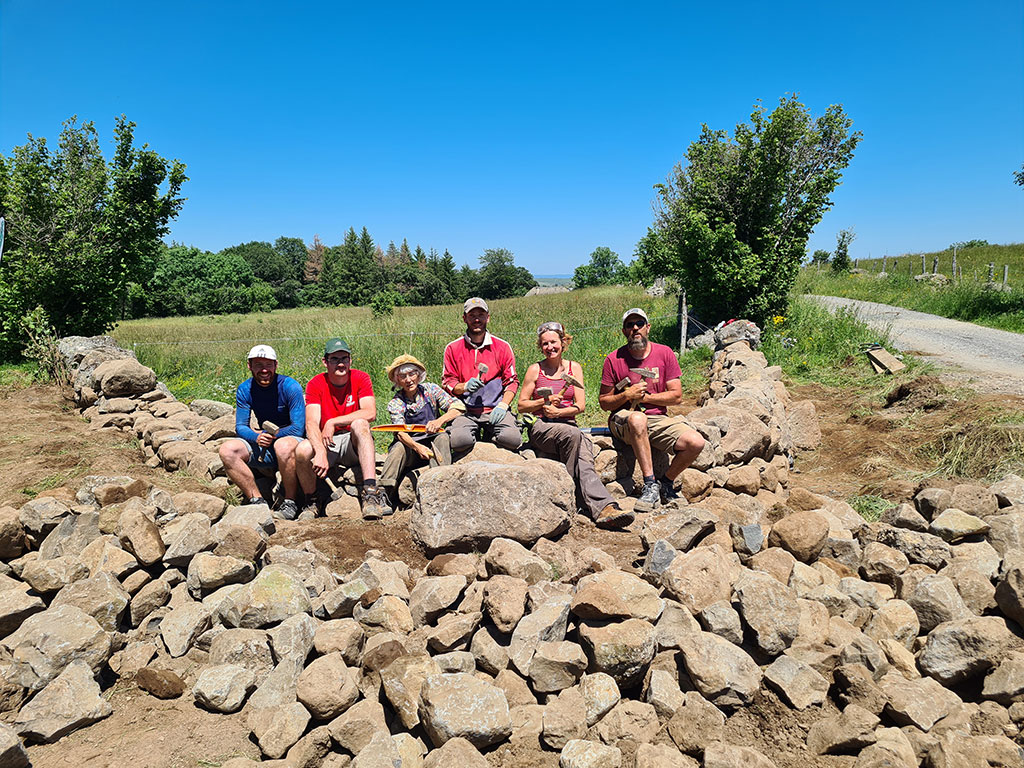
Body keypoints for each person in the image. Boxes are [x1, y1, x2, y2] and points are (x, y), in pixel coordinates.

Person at [519, 322, 632, 529]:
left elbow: (580, 406)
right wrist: (542, 403)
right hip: (542, 427)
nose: (549, 347)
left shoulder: (575, 368)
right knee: (576, 437)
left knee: (583, 455)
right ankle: (574, 494)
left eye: (553, 342)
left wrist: (560, 411)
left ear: (563, 343)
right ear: (540, 346)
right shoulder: (535, 370)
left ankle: (606, 509)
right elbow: (521, 406)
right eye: (545, 344)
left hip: (569, 427)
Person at [599, 308, 706, 512]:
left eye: (640, 323)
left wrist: (646, 398)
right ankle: (649, 483)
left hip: (656, 418)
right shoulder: (614, 359)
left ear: (648, 328)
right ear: (624, 331)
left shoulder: (664, 353)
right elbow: (604, 403)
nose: (635, 328)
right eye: (630, 325)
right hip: (623, 419)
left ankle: (665, 483)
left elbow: (676, 396)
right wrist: (626, 396)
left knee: (696, 442)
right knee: (638, 418)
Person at [295, 338, 391, 519]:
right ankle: (312, 500)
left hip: (351, 440)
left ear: (350, 360)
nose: (341, 363)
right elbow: (312, 423)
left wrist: (333, 422)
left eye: (344, 358)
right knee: (302, 450)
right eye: (335, 359)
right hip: (327, 442)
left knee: (361, 424)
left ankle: (370, 492)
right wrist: (320, 453)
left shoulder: (360, 378)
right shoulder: (316, 383)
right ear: (325, 362)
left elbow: (370, 412)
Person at [218, 344, 306, 518]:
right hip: (265, 443)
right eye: (258, 365)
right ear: (249, 366)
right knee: (227, 450)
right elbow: (241, 426)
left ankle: (290, 502)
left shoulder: (289, 386)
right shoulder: (245, 389)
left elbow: (298, 427)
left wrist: (272, 436)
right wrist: (257, 437)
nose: (264, 370)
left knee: (283, 446)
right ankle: (257, 501)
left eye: (268, 365)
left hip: (292, 445)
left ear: (276, 365)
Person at [379, 355, 464, 504]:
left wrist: (439, 421)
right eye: (403, 376)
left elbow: (458, 407)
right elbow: (400, 433)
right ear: (397, 380)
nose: (409, 380)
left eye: (412, 374)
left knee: (443, 437)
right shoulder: (396, 403)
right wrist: (417, 447)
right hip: (410, 448)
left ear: (419, 375)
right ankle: (384, 493)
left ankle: (441, 486)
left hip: (433, 443)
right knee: (399, 447)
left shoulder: (431, 390)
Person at [442, 297, 523, 453]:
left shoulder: (502, 346)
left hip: (495, 409)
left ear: (488, 317)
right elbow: (448, 382)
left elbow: (512, 381)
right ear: (464, 318)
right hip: (464, 411)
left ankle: (489, 435)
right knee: (459, 441)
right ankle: (471, 434)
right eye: (472, 315)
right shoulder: (453, 348)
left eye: (481, 314)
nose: (477, 319)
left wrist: (503, 405)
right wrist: (464, 386)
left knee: (512, 439)